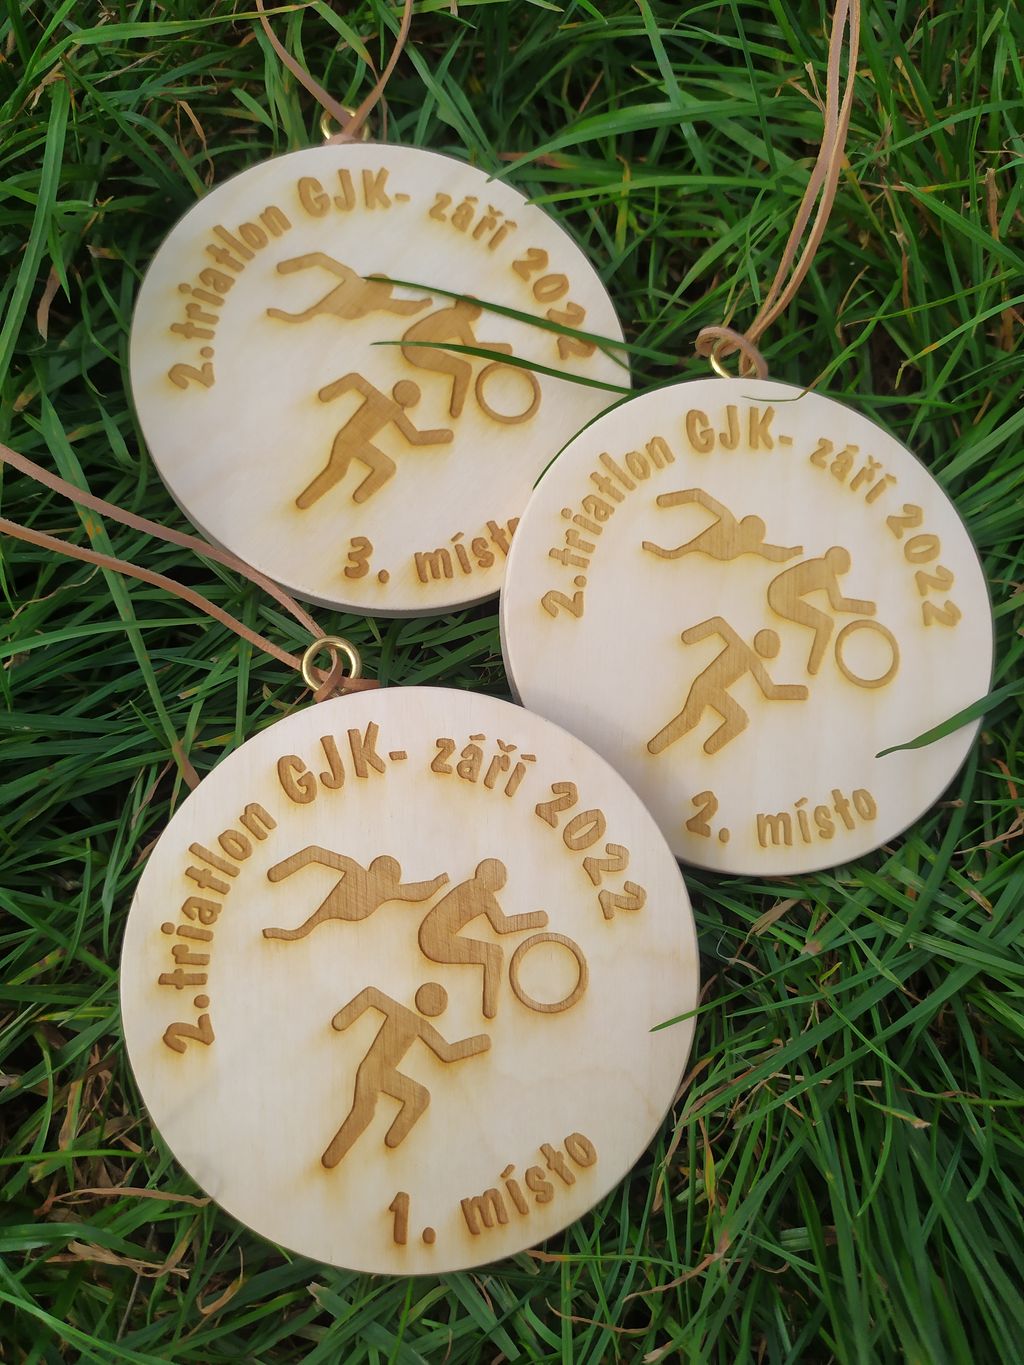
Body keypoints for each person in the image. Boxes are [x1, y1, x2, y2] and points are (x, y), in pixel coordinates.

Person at [321, 983, 489, 1167]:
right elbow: (447, 1052)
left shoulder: (417, 1023)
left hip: (382, 1072)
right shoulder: (406, 1016)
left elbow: (447, 1052)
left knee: (418, 1097)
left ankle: (393, 1137)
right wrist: (343, 1020)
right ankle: (334, 1157)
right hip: (373, 1070)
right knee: (366, 1113)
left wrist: (479, 1043)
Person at [648, 617, 808, 756]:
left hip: (709, 687)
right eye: (774, 647)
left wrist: (799, 692)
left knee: (704, 719)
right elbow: (770, 690)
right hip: (707, 686)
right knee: (713, 719)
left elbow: (770, 690)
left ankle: (708, 746)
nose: (775, 651)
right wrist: (690, 636)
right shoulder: (747, 654)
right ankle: (704, 747)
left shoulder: (749, 656)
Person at [417, 859, 547, 1019]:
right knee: (494, 954)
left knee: (493, 953)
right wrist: (536, 919)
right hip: (435, 941)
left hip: (432, 937)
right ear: (493, 877)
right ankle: (490, 1009)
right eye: (500, 878)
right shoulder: (481, 892)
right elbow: (502, 926)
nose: (501, 883)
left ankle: (490, 1008)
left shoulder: (471, 886)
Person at [299, 374, 452, 507]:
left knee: (385, 467)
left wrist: (328, 394)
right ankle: (307, 501)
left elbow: (355, 379)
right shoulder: (389, 406)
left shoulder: (383, 401)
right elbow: (415, 437)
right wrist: (444, 436)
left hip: (356, 441)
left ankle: (360, 495)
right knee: (339, 471)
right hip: (350, 439)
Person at [262, 849, 448, 941]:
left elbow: (315, 852)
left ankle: (288, 933)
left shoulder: (357, 869)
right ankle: (288, 933)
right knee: (306, 927)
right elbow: (416, 892)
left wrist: (284, 869)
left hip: (347, 907)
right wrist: (438, 882)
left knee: (307, 926)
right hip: (356, 912)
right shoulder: (389, 889)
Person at [767, 546, 876, 674]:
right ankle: (813, 667)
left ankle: (813, 667)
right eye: (846, 563)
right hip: (780, 597)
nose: (847, 566)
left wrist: (866, 607)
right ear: (837, 560)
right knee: (826, 624)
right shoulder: (824, 570)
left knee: (826, 623)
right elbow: (838, 604)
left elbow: (837, 603)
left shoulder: (820, 566)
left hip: (779, 594)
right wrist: (866, 608)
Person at [401, 299, 512, 417]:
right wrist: (501, 348)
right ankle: (456, 410)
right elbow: (473, 347)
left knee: (463, 368)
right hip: (416, 350)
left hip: (411, 345)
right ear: (468, 310)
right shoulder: (459, 320)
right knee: (464, 369)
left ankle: (455, 410)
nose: (473, 318)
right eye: (474, 315)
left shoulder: (448, 312)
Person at [642, 488, 802, 562]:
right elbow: (698, 495)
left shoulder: (746, 542)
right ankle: (664, 551)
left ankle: (665, 551)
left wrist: (792, 552)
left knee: (677, 552)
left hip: (716, 548)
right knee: (677, 552)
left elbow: (771, 552)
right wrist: (667, 500)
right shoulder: (730, 522)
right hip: (716, 547)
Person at [266, 252, 430, 323]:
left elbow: (403, 308)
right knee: (310, 314)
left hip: (347, 309)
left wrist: (423, 304)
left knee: (310, 313)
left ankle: (297, 315)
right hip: (347, 309)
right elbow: (321, 259)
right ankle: (296, 315)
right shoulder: (357, 284)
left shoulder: (371, 297)